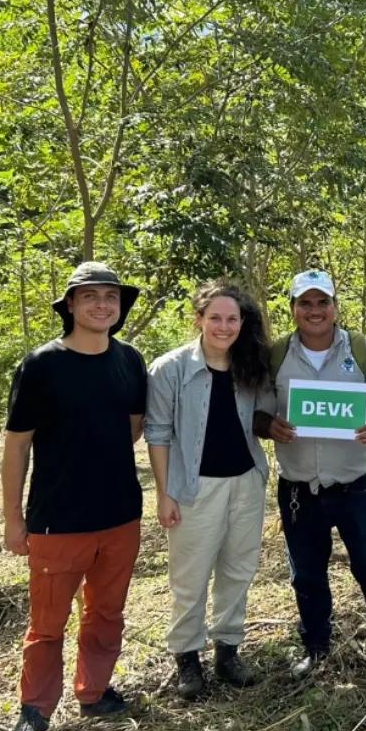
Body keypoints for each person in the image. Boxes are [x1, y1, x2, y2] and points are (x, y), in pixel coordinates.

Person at [2, 262, 148, 731]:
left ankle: (95, 691)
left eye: (110, 296)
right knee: (47, 622)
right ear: (70, 305)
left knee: (106, 612)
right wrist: (12, 518)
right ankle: (36, 707)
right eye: (90, 297)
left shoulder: (129, 360)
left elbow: (132, 427)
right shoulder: (41, 365)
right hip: (57, 521)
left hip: (120, 514)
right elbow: (18, 444)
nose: (102, 304)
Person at [255, 269, 366, 677]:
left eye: (322, 302)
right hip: (298, 490)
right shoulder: (274, 356)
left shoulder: (362, 351)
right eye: (305, 303)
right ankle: (315, 646)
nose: (314, 310)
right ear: (292, 308)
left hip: (355, 487)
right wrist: (267, 425)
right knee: (306, 573)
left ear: (334, 306)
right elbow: (256, 412)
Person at [145, 279, 273, 700]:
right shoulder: (171, 369)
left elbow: (264, 418)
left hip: (245, 483)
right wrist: (165, 493)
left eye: (231, 318)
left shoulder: (251, 365)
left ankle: (228, 652)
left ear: (242, 322)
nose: (223, 326)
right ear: (198, 319)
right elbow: (158, 434)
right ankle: (187, 658)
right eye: (214, 317)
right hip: (193, 489)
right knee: (190, 577)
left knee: (238, 571)